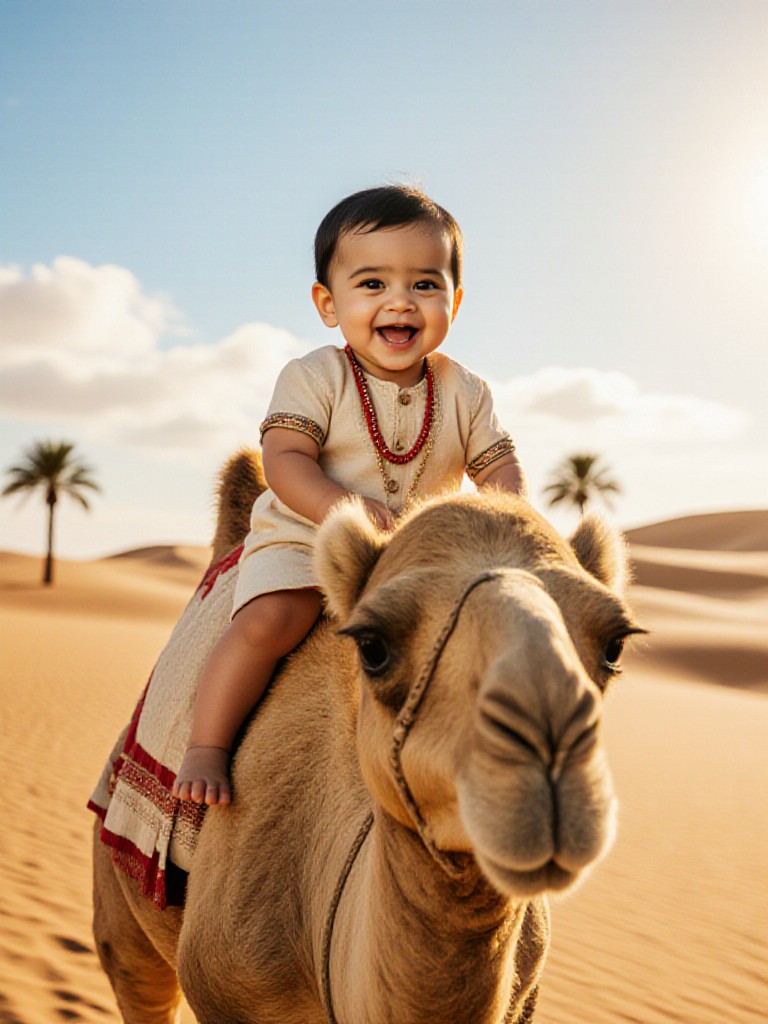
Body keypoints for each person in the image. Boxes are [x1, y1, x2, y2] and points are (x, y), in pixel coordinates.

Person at [172, 185, 527, 805]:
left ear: (455, 301)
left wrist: (504, 521)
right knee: (271, 619)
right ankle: (208, 744)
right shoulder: (314, 376)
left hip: (416, 557)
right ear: (328, 303)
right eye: (372, 285)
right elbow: (284, 461)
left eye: (425, 285)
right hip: (309, 537)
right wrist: (345, 511)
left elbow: (499, 468)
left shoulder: (466, 391)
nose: (401, 302)